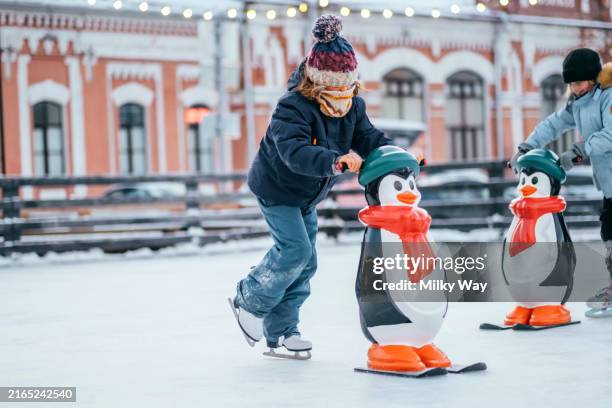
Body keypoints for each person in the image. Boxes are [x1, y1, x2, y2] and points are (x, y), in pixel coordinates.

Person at [231, 14, 391, 354]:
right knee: (295, 251)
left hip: (307, 195)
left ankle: (281, 331)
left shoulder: (352, 107)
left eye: (347, 86)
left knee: (308, 262)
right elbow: (294, 152)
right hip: (277, 190)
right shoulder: (292, 107)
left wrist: (397, 155)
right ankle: (248, 298)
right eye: (333, 88)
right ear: (317, 84)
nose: (341, 95)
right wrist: (334, 160)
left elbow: (368, 138)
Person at [510, 48, 611, 312]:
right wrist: (525, 147)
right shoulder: (577, 103)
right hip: (609, 182)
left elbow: (610, 135)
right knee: (609, 231)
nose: (574, 88)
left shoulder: (608, 96)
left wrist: (579, 151)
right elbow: (552, 124)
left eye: (578, 82)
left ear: (592, 78)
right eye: (571, 84)